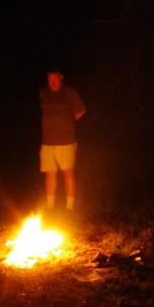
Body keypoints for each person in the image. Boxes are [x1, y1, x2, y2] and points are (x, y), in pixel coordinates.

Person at [39, 67, 86, 211]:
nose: (52, 81)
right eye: (49, 79)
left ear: (61, 77)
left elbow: (81, 110)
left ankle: (69, 208)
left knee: (68, 173)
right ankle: (50, 207)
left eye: (55, 78)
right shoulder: (43, 93)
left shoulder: (69, 93)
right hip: (47, 142)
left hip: (66, 141)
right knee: (49, 174)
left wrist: (66, 123)